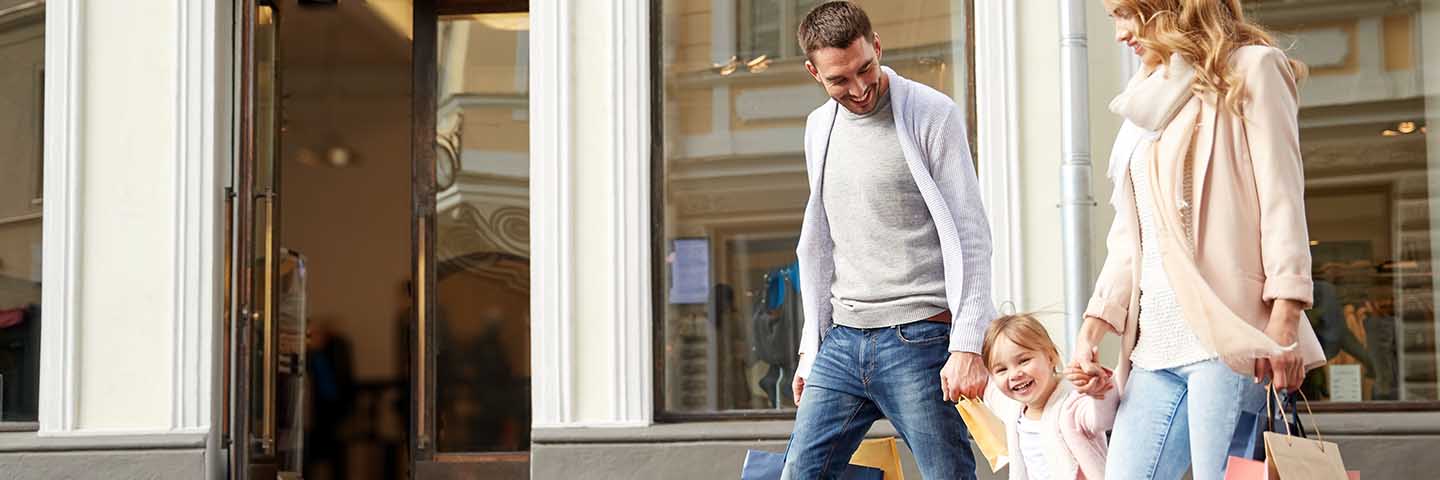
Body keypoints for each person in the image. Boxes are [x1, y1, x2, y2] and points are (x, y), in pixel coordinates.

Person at [1072, 1, 1327, 478]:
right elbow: (1131, 230)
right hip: (1151, 349)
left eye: (1128, 14)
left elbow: (1282, 199)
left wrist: (1286, 321)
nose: (1120, 33)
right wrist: (1094, 326)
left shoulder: (1253, 69)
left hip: (1228, 341)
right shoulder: (1143, 101)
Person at [781, 2, 998, 479]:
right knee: (800, 473)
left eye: (865, 68)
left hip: (917, 336)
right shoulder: (819, 128)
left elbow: (971, 234)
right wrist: (810, 347)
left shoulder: (931, 114)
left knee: (947, 474)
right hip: (842, 338)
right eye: (840, 80)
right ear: (814, 73)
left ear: (877, 46)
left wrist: (967, 344)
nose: (859, 89)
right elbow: (819, 244)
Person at [983, 314, 1118, 480]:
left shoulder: (1071, 402)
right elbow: (985, 388)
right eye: (1001, 370)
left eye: (1024, 360)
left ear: (1051, 357)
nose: (1014, 374)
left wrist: (1100, 391)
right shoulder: (1012, 409)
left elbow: (1101, 419)